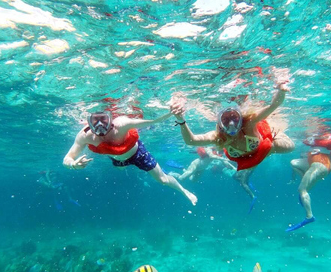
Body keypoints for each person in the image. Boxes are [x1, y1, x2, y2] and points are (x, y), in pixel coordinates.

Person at [170, 84, 294, 212]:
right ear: (220, 123)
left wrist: (281, 89)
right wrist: (180, 120)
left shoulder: (249, 124)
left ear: (240, 118)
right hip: (243, 158)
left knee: (290, 147)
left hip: (264, 149)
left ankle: (275, 133)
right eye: (226, 119)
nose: (231, 123)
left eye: (234, 118)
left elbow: (273, 106)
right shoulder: (218, 136)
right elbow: (191, 141)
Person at [63, 110, 197, 206]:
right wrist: (73, 165)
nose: (102, 133)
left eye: (105, 127)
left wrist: (171, 112)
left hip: (138, 154)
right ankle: (128, 168)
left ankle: (184, 191)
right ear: (90, 127)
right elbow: (67, 159)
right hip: (118, 159)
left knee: (162, 179)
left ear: (111, 123)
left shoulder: (122, 124)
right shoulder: (84, 136)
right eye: (96, 129)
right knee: (121, 168)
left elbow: (153, 121)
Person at [287, 132, 331, 232]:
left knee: (301, 189)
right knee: (293, 163)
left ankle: (309, 216)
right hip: (315, 165)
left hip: (319, 166)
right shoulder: (316, 145)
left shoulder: (324, 141)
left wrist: (316, 135)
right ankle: (305, 183)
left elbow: (329, 140)